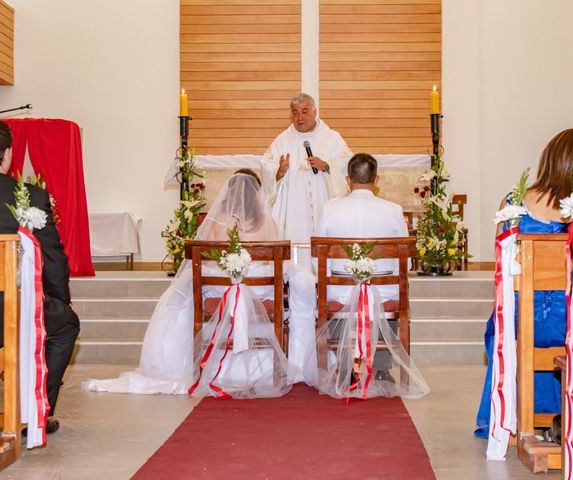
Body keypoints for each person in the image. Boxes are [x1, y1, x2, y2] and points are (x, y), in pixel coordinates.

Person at [84, 170, 288, 396]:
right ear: (257, 194)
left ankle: (197, 365)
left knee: (182, 295)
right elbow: (277, 261)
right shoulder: (268, 221)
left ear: (228, 193)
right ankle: (271, 366)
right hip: (259, 291)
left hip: (222, 287)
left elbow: (208, 258)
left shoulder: (217, 218)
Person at [475, 128, 573, 439]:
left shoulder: (513, 201)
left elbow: (502, 266)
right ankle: (572, 413)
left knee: (502, 321)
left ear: (548, 158)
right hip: (568, 321)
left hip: (519, 317)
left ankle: (508, 415)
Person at [0, 117, 80, 435]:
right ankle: (33, 413)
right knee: (66, 326)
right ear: (8, 154)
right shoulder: (28, 196)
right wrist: (60, 301)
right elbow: (52, 259)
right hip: (10, 313)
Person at [311, 153, 428, 399]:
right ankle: (383, 369)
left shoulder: (329, 209)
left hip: (340, 291)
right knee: (396, 292)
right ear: (377, 179)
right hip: (382, 291)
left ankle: (343, 367)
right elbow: (403, 261)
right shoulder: (393, 210)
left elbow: (316, 260)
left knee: (328, 290)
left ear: (347, 180)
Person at [260, 93, 353, 243]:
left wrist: (327, 166)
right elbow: (266, 165)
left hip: (322, 202)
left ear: (314, 112)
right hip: (293, 207)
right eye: (295, 113)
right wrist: (279, 172)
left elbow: (347, 162)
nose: (300, 118)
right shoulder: (282, 140)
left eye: (304, 111)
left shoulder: (331, 138)